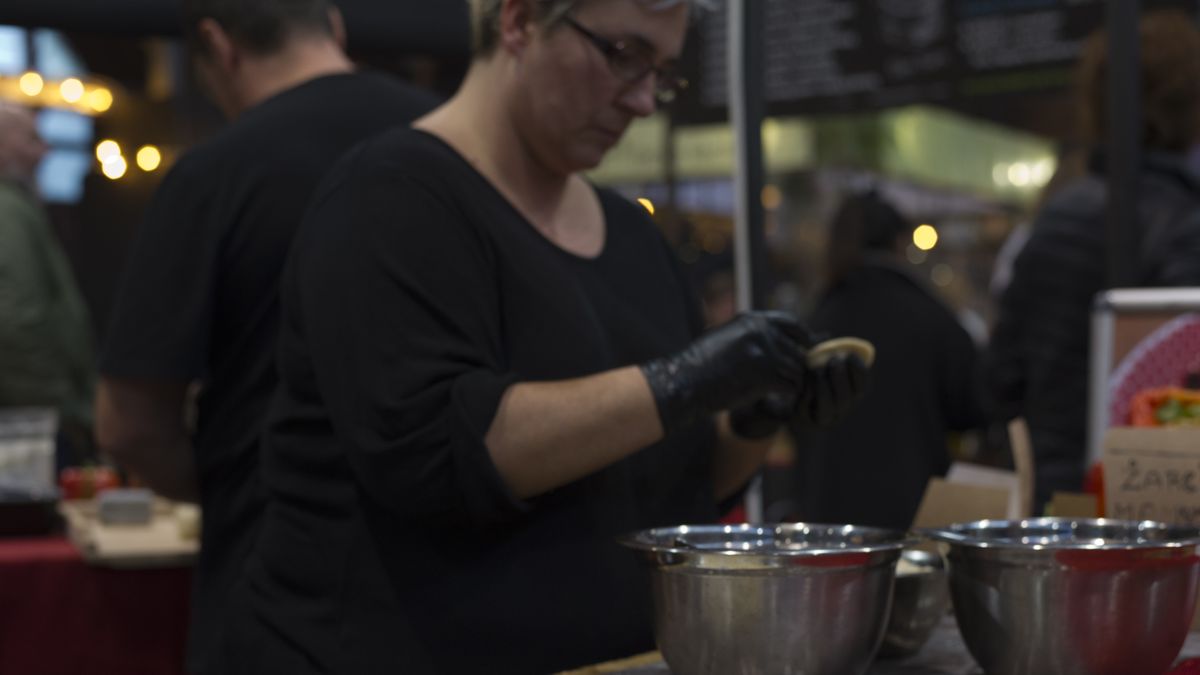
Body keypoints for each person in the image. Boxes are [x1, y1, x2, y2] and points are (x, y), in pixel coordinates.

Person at [223, 0, 867, 672]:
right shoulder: (390, 196)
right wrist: (681, 382)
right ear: (520, 21)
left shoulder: (633, 237)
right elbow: (441, 448)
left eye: (663, 72)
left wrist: (754, 417)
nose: (646, 100)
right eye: (624, 54)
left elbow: (677, 479)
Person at [94, 1, 438, 673]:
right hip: (451, 579)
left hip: (273, 580)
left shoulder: (211, 174)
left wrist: (223, 485)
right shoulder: (452, 142)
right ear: (335, 26)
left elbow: (128, 424)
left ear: (219, 47)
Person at [986, 10, 1200, 511]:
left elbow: (999, 379)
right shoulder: (1186, 224)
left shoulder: (1056, 217)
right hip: (1154, 509)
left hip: (1056, 503)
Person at [788, 191, 987, 530]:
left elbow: (792, 417)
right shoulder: (930, 315)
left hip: (828, 519)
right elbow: (973, 407)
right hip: (913, 514)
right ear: (898, 243)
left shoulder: (817, 319)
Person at [0, 102, 96, 466]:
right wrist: (65, 408)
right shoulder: (6, 212)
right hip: (30, 421)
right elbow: (14, 321)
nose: (44, 150)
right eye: (31, 139)